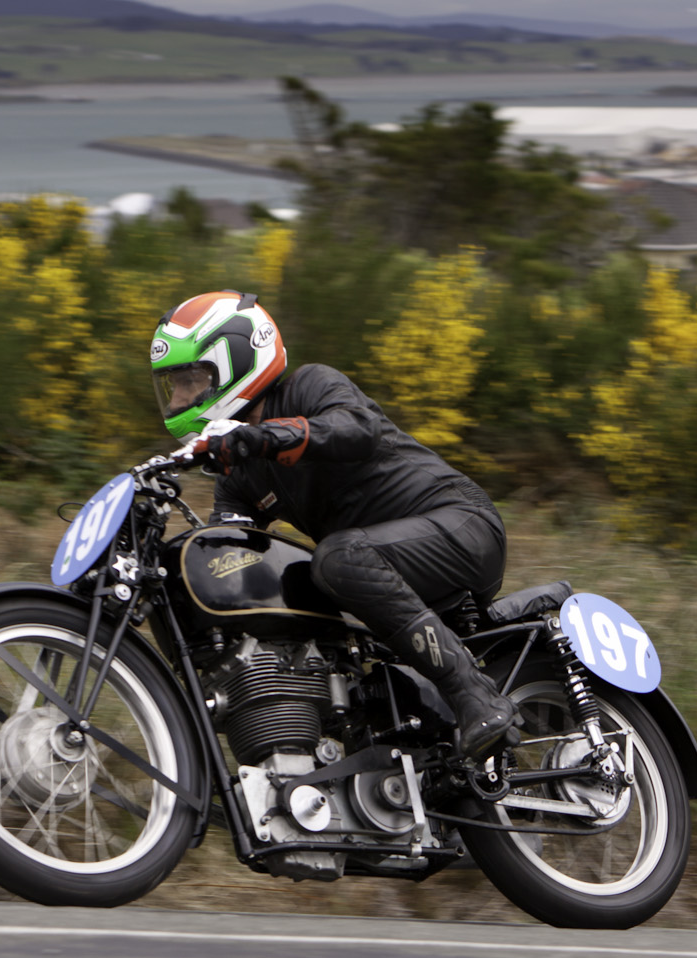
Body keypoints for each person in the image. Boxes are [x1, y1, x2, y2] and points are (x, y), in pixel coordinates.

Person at [150, 289, 517, 759]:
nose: (180, 396)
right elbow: (236, 560)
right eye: (172, 385)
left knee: (338, 559)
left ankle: (475, 694)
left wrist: (262, 438)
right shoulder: (238, 479)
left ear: (235, 361)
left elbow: (358, 429)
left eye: (190, 379)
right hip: (380, 568)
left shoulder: (309, 386)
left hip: (461, 525)